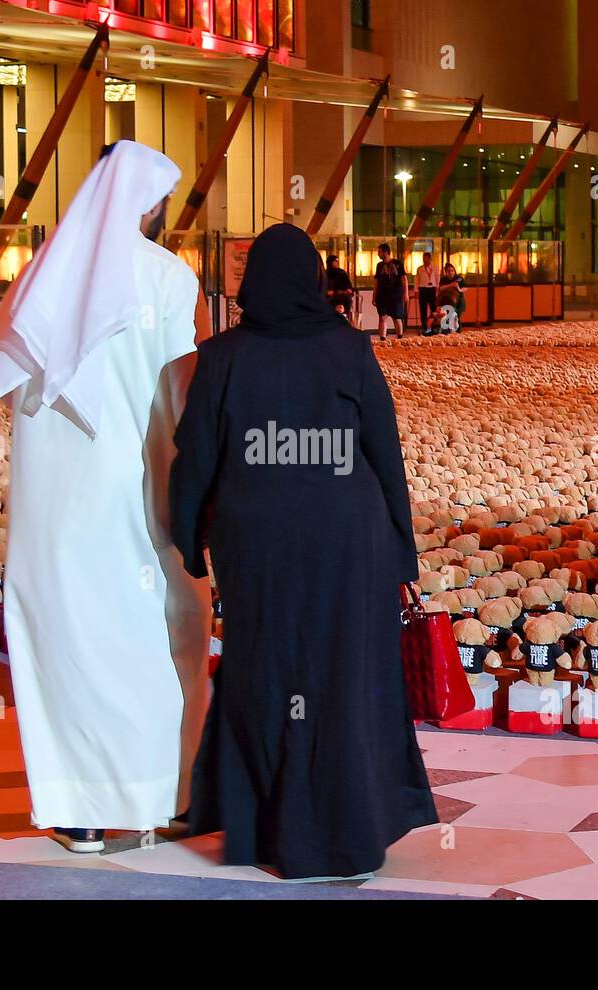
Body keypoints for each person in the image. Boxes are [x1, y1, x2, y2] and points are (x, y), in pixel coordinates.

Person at [0, 140, 212, 855]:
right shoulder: (171, 279)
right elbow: (181, 396)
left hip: (53, 494)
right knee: (135, 634)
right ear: (149, 203)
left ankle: (77, 814)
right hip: (132, 480)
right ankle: (144, 805)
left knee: (61, 638)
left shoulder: (41, 274)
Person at [169, 223, 438, 880]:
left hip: (256, 544)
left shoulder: (224, 356)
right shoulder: (347, 349)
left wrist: (188, 540)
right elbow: (384, 452)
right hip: (347, 545)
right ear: (316, 279)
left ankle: (270, 830)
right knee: (341, 677)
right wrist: (403, 555)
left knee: (267, 673)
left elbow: (195, 456)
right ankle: (345, 833)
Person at [373, 242, 408, 340]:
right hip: (382, 295)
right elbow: (376, 281)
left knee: (396, 318)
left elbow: (404, 279)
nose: (378, 254)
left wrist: (406, 293)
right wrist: (374, 295)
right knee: (382, 317)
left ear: (385, 252)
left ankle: (400, 338)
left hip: (395, 295)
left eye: (379, 252)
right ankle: (383, 339)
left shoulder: (398, 263)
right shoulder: (379, 266)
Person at [325, 254, 355, 325]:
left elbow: (348, 285)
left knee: (347, 300)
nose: (337, 263)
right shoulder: (325, 274)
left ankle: (345, 319)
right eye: (335, 261)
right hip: (331, 297)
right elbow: (324, 287)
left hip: (343, 296)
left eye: (338, 261)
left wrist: (348, 290)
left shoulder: (341, 272)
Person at [437, 262, 466, 333]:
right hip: (447, 301)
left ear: (454, 271)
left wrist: (447, 287)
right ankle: (447, 333)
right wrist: (452, 285)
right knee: (447, 317)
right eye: (448, 271)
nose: (450, 272)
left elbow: (462, 286)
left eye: (452, 271)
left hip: (459, 301)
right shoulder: (443, 279)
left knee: (456, 316)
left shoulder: (459, 278)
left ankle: (458, 333)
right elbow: (441, 288)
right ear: (446, 272)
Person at [415, 252, 439, 331]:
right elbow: (417, 280)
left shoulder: (435, 267)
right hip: (423, 289)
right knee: (423, 309)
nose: (424, 260)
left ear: (430, 259)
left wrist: (437, 288)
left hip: (432, 289)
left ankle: (432, 325)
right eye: (423, 258)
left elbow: (437, 278)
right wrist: (416, 290)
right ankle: (424, 326)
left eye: (426, 258)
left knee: (433, 308)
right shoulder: (419, 269)